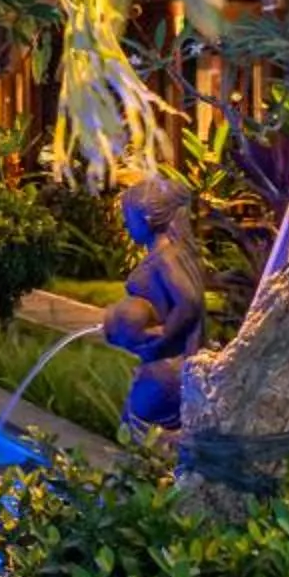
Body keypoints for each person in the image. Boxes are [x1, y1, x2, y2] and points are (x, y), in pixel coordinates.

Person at [101, 175, 203, 433]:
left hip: (167, 370)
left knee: (139, 435)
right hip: (162, 366)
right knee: (142, 436)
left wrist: (163, 336)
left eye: (128, 217)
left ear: (145, 219)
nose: (126, 224)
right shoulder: (168, 254)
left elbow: (189, 301)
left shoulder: (166, 258)